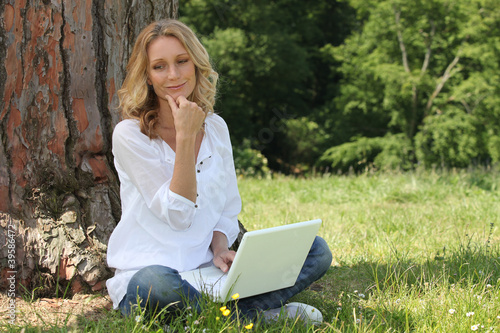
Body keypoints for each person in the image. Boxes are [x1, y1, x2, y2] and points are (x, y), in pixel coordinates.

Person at [106, 19, 332, 324]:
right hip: (151, 276)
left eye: (182, 61)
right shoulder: (129, 134)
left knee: (315, 250)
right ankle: (253, 318)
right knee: (155, 283)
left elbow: (227, 205)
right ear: (146, 75)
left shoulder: (215, 127)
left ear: (197, 65)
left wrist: (220, 246)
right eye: (159, 66)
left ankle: (215, 319)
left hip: (208, 275)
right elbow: (178, 214)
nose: (173, 75)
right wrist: (186, 136)